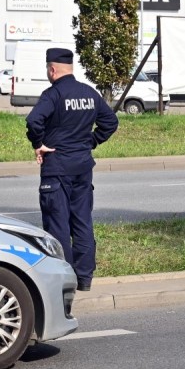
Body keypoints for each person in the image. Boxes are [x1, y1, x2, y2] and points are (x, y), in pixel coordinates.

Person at [26, 48, 118, 291]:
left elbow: (33, 121)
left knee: (58, 226)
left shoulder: (53, 94)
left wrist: (39, 145)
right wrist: (92, 141)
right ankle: (84, 279)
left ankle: (63, 280)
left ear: (52, 69)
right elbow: (110, 122)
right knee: (82, 222)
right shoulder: (89, 93)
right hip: (82, 167)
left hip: (57, 168)